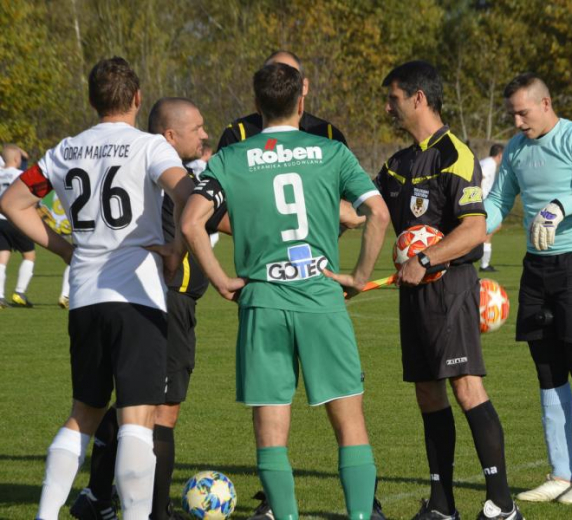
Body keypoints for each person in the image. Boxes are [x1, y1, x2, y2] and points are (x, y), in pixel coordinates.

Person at [181, 62, 390, 520]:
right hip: (320, 297)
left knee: (271, 429)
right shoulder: (331, 152)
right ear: (301, 100)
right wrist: (359, 275)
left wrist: (219, 278)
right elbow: (377, 213)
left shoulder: (230, 158)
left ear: (256, 105)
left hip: (263, 302)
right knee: (349, 421)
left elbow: (191, 221)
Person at [0, 56, 192, 520]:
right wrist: (176, 248)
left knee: (83, 412)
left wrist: (65, 249)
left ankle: (46, 514)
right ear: (138, 98)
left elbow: (12, 202)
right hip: (137, 298)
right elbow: (186, 192)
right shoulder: (150, 146)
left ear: (92, 101)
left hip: (85, 297)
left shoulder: (66, 150)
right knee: (137, 420)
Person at [374, 60, 521, 520]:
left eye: (394, 98)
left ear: (418, 98)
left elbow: (475, 229)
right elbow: (363, 212)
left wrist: (424, 260)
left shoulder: (455, 155)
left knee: (466, 387)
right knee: (427, 392)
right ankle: (442, 506)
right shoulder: (397, 164)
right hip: (413, 292)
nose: (388, 108)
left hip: (450, 287)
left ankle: (502, 506)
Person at [69, 97, 222, 520]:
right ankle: (154, 512)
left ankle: (97, 496)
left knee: (129, 406)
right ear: (170, 135)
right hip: (166, 302)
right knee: (160, 413)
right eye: (197, 128)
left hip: (133, 299)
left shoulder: (144, 168)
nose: (204, 135)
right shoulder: (167, 175)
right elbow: (219, 219)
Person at [485, 73, 572, 504]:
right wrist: (471, 230)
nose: (517, 121)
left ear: (545, 104)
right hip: (537, 270)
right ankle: (561, 474)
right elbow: (498, 202)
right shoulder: (515, 149)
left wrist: (563, 205)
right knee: (547, 371)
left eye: (522, 112)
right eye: (512, 114)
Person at [217, 50, 364, 233]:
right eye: (271, 75)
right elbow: (214, 209)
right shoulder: (237, 134)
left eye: (290, 75)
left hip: (318, 247)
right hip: (261, 248)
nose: (280, 81)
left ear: (304, 86)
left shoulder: (327, 135)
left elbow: (354, 209)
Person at [0, 144, 36, 308]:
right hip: (16, 219)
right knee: (29, 255)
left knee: (2, 258)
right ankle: (19, 293)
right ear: (16, 159)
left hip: (0, 220)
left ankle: (0, 295)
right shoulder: (22, 175)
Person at [479, 143, 504, 272]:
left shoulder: (485, 161)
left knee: (494, 227)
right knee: (489, 230)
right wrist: (480, 196)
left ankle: (484, 263)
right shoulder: (490, 163)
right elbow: (479, 176)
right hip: (483, 202)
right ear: (500, 155)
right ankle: (484, 264)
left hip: (483, 202)